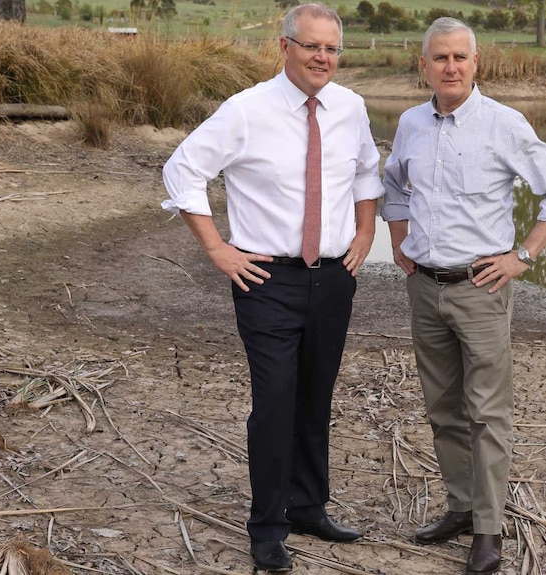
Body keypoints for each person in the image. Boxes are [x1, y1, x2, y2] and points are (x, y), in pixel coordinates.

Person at [161, 4, 384, 572]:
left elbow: (365, 169)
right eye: (312, 47)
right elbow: (183, 169)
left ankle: (309, 506)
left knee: (316, 394)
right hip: (266, 280)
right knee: (276, 399)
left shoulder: (351, 107)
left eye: (332, 49)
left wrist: (364, 231)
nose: (323, 58)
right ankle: (267, 525)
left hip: (335, 278)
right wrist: (217, 248)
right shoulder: (246, 110)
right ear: (284, 47)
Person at [381, 17, 546, 575]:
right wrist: (399, 239)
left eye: (459, 58)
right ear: (423, 66)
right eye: (439, 58)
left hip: (481, 290)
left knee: (487, 413)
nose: (450, 67)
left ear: (476, 65)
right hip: (424, 287)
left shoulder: (503, 124)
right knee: (443, 407)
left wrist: (524, 256)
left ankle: (488, 531)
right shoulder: (410, 124)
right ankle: (461, 508)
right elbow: (394, 182)